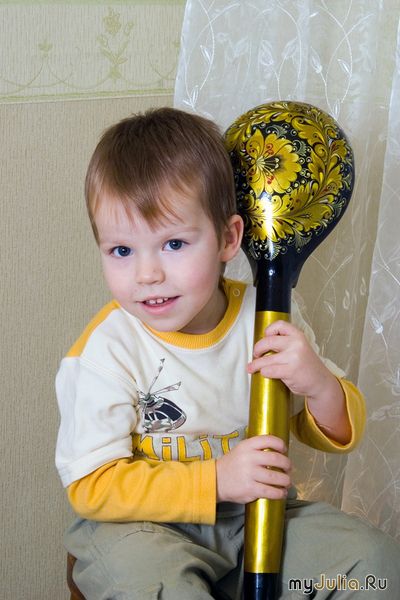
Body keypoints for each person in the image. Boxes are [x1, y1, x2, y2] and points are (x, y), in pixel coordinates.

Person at [55, 107, 400, 599]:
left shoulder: (266, 317)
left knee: (375, 565)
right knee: (156, 587)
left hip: (253, 517)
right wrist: (216, 480)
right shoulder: (106, 351)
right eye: (122, 251)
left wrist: (319, 384)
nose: (147, 274)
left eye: (174, 243)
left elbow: (339, 431)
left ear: (228, 238)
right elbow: (92, 485)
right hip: (140, 529)